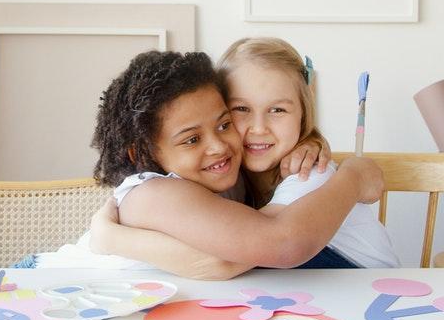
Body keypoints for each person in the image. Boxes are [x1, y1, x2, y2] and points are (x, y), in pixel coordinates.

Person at [89, 39, 398, 275]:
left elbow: (258, 246)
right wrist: (107, 237)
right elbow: (251, 249)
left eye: (277, 110)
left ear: (303, 114)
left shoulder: (303, 172)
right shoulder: (155, 192)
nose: (258, 128)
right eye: (240, 111)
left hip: (370, 292)